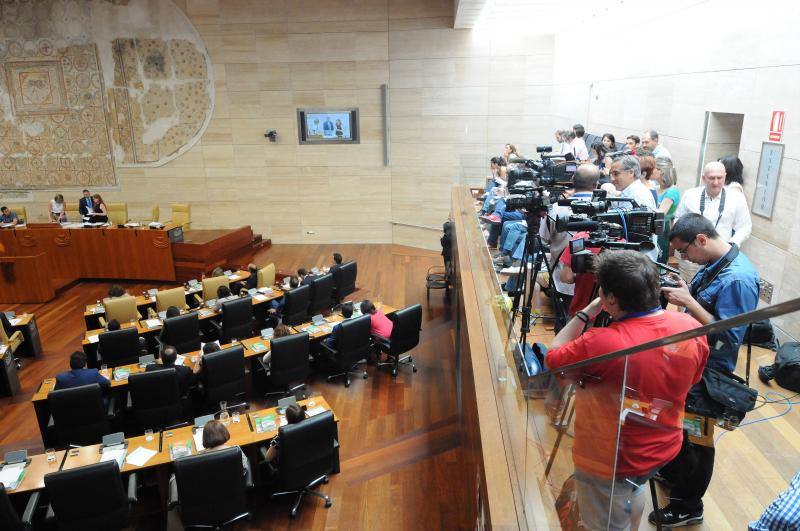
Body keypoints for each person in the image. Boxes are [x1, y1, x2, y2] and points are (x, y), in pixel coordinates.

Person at [546, 251, 709, 531]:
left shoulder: (603, 342)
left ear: (610, 298)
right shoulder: (690, 327)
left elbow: (553, 356)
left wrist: (589, 310)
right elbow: (692, 379)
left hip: (614, 456)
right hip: (664, 443)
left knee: (605, 517)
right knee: (633, 488)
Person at [653, 213, 759, 527]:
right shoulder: (714, 264)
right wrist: (685, 290)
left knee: (699, 437)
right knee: (681, 427)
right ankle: (673, 473)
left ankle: (688, 505)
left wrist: (689, 301)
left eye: (685, 251)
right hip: (691, 360)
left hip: (710, 370)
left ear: (701, 239)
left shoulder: (738, 278)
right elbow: (704, 307)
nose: (685, 257)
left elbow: (728, 335)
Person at [674, 161, 752, 281]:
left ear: (725, 176)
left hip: (719, 260)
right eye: (711, 178)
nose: (716, 182)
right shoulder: (690, 195)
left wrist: (731, 245)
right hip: (691, 259)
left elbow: (745, 227)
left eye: (719, 178)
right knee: (687, 289)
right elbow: (678, 220)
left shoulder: (737, 198)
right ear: (703, 178)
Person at [169, 419, 251, 505]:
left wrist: (173, 477)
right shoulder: (236, 450)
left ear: (205, 438)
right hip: (233, 497)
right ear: (225, 433)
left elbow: (184, 480)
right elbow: (245, 469)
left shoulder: (198, 458)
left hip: (206, 502)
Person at [655, 157, 680, 263]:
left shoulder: (672, 191)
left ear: (661, 171)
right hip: (655, 229)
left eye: (654, 168)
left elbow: (661, 213)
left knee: (658, 261)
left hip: (662, 230)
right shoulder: (656, 187)